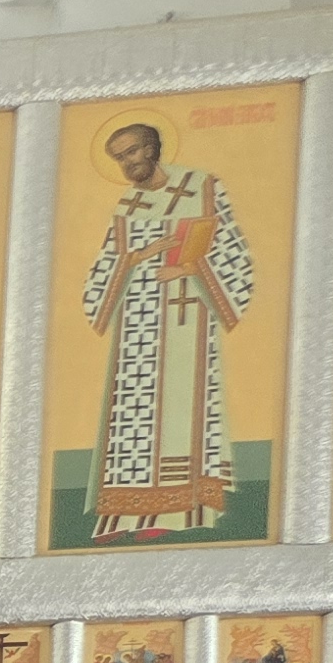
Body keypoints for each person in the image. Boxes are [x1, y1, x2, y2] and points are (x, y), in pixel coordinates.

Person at [76, 120, 255, 544]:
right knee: (130, 420)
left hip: (186, 319)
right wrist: (138, 257)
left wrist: (189, 268)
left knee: (180, 416)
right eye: (119, 158)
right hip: (136, 326)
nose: (127, 163)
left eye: (131, 152)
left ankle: (179, 514)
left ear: (152, 147)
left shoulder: (203, 187)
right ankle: (124, 517)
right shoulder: (128, 204)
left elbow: (233, 252)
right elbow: (108, 263)